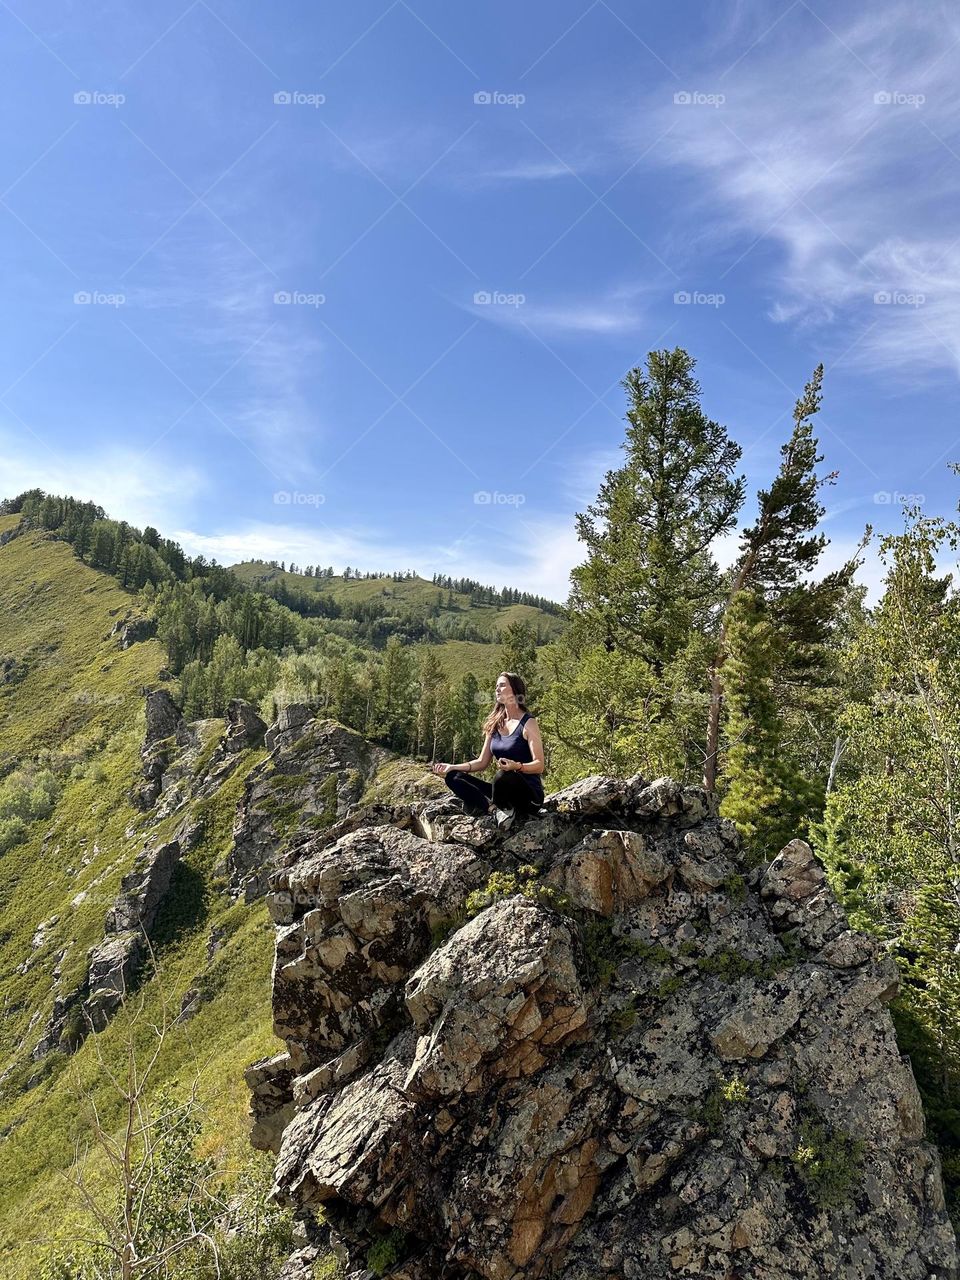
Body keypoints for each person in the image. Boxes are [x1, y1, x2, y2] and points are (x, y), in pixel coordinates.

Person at [432, 671, 545, 831]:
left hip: (529, 796)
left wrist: (517, 767)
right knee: (453, 777)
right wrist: (452, 767)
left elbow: (539, 765)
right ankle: (494, 810)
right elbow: (481, 762)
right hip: (502, 793)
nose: (497, 689)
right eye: (496, 686)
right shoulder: (495, 724)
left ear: (515, 690)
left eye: (502, 685)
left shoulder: (528, 723)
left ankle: (498, 807)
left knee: (503, 776)